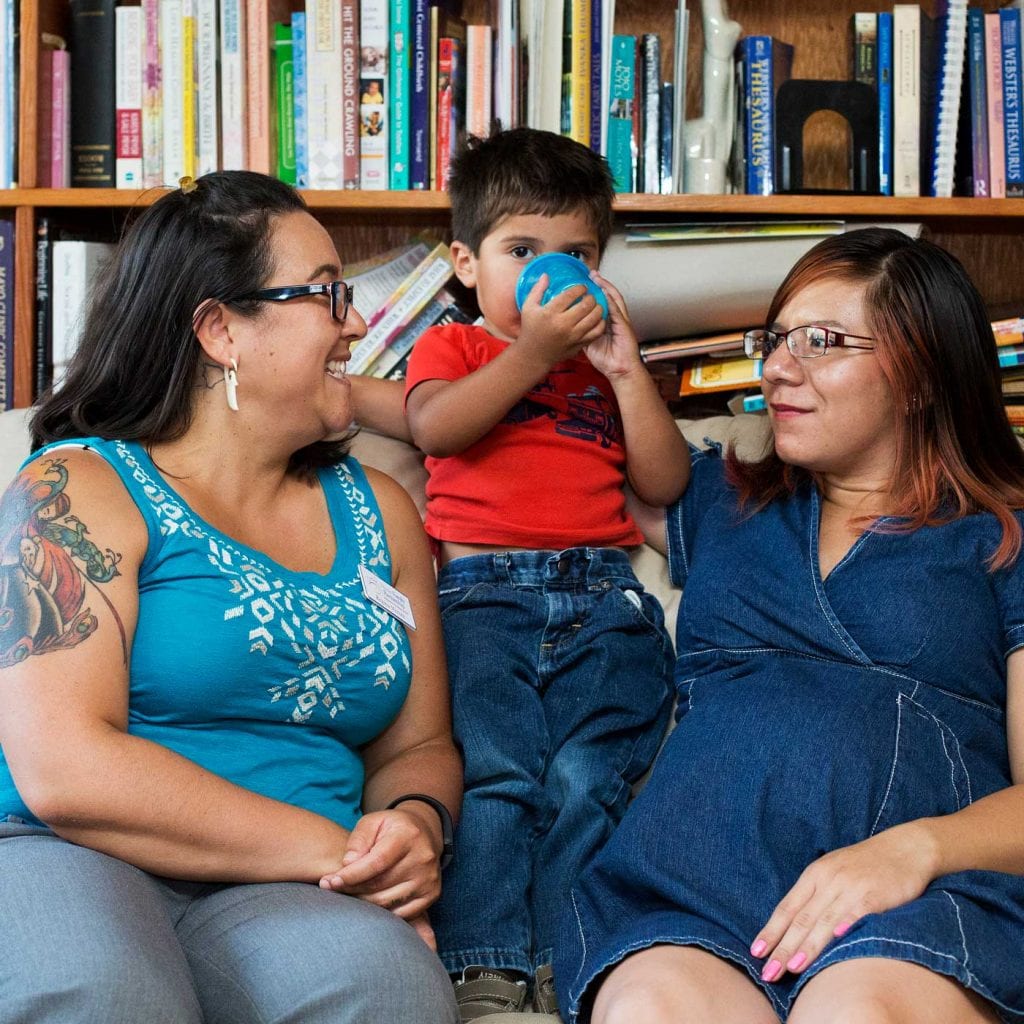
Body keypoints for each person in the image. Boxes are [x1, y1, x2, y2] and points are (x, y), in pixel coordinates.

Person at [0, 170, 462, 1024]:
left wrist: (412, 826)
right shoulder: (79, 487)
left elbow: (420, 743)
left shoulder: (384, 513)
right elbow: (63, 768)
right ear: (221, 331)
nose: (356, 322)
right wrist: (343, 850)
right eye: (327, 293)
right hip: (68, 851)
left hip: (289, 888)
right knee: (106, 995)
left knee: (389, 991)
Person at [554, 227, 1024, 1024]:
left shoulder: (1003, 536)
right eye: (775, 339)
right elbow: (550, 478)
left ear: (921, 373)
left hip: (918, 902)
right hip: (690, 893)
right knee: (647, 1012)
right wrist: (620, 368)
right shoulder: (724, 500)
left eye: (823, 342)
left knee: (850, 1013)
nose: (776, 366)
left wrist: (911, 852)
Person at [402, 127, 689, 1019]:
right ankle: (485, 960)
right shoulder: (456, 350)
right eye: (521, 251)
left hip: (604, 593)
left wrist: (626, 371)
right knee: (494, 776)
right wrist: (530, 351)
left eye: (577, 254)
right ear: (464, 262)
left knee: (583, 777)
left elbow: (667, 484)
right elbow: (436, 431)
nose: (550, 272)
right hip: (484, 596)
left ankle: (567, 954)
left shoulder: (607, 371)